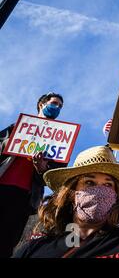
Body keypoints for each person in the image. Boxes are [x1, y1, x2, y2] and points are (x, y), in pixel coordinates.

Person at [0, 92, 66, 258]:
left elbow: (54, 175)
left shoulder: (59, 137)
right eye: (54, 103)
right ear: (41, 105)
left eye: (59, 106)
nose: (56, 108)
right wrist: (10, 142)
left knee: (7, 241)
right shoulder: (17, 127)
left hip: (25, 197)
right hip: (2, 186)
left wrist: (42, 168)